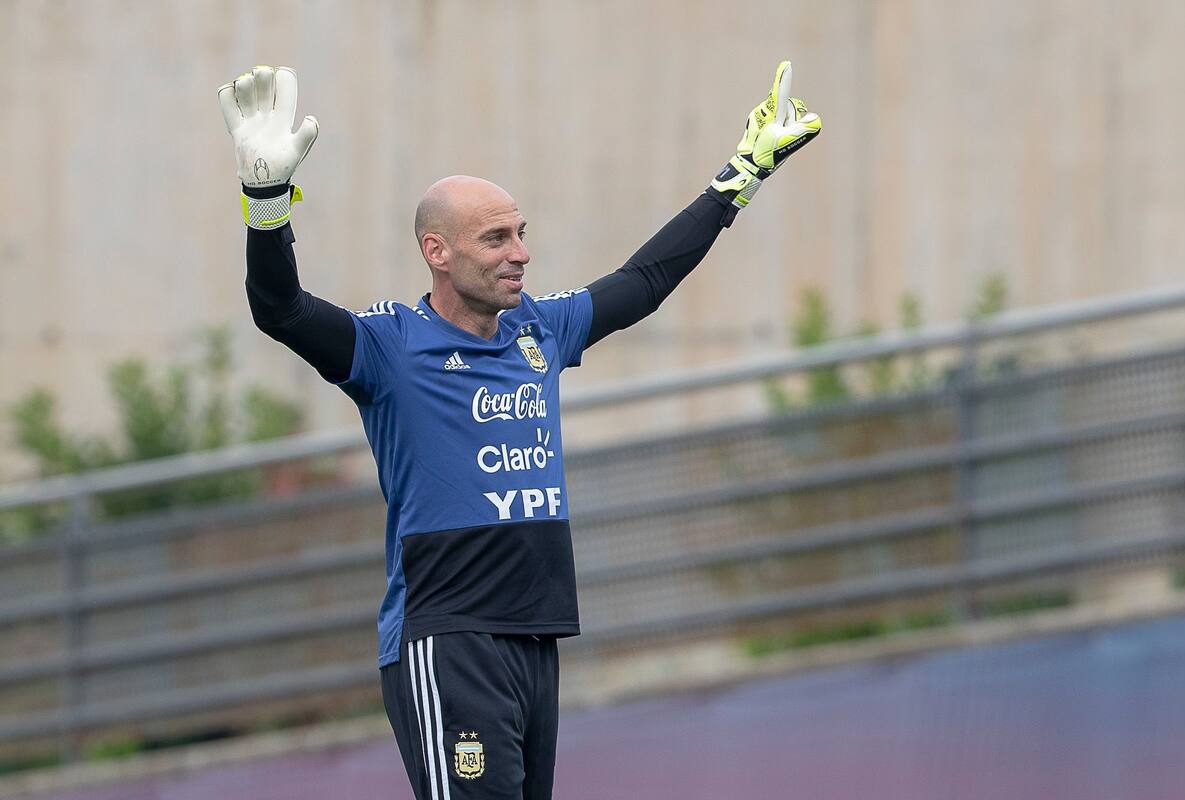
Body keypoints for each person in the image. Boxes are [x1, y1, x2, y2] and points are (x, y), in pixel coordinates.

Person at [217, 61, 820, 800]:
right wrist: (266, 202)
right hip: (449, 640)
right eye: (496, 238)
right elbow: (279, 309)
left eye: (521, 234)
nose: (520, 253)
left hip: (534, 635)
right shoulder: (389, 347)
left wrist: (743, 174)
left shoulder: (538, 328)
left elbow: (645, 281)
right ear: (438, 252)